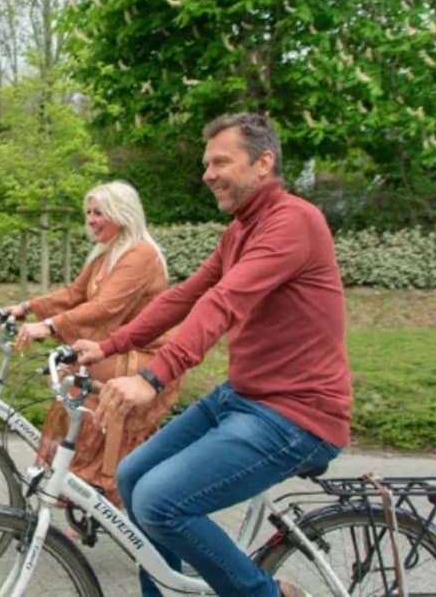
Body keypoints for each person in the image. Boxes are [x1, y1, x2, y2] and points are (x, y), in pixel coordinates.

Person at [74, 113, 351, 597]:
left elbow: (222, 302)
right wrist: (109, 345)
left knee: (160, 502)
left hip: (297, 414)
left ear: (263, 163)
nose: (207, 174)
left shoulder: (294, 222)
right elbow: (185, 297)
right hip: (244, 397)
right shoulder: (239, 231)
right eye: (206, 164)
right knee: (132, 475)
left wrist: (153, 377)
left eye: (220, 162)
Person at [7, 180, 181, 508]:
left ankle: (102, 485)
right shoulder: (106, 254)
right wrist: (26, 307)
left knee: (83, 377)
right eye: (88, 213)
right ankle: (78, 487)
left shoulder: (140, 254)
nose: (90, 220)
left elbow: (106, 307)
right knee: (72, 381)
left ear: (122, 213)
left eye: (99, 213)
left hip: (144, 353)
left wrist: (50, 325)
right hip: (117, 346)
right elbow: (74, 294)